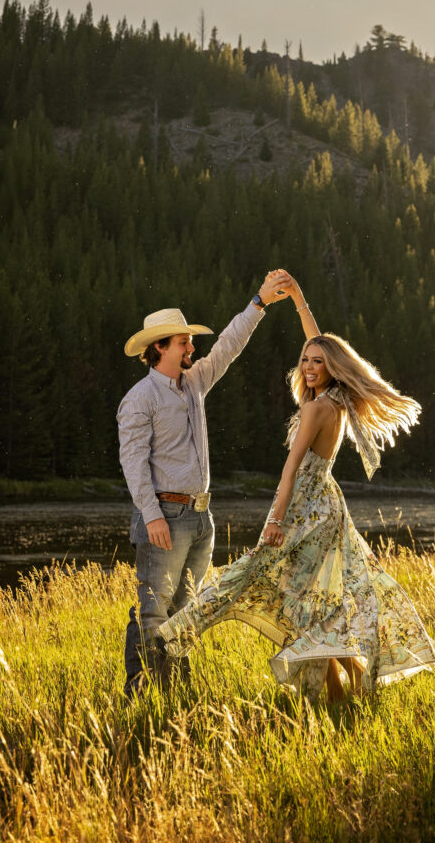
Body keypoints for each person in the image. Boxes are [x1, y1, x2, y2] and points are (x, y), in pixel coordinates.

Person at [157, 278, 435, 701]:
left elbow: (290, 469)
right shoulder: (340, 399)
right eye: (305, 360)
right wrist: (297, 299)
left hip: (306, 513)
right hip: (328, 508)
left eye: (317, 363)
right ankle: (345, 694)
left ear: (331, 368)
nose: (309, 367)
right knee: (316, 605)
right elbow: (318, 341)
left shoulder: (316, 408)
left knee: (255, 580)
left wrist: (274, 521)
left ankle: (175, 633)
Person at [117, 270, 291, 697]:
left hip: (200, 518)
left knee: (188, 611)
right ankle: (141, 694)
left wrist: (259, 303)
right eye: (183, 341)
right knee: (154, 613)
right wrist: (152, 515)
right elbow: (133, 464)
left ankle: (176, 694)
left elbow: (228, 346)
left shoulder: (194, 383)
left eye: (190, 341)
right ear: (160, 348)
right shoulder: (140, 398)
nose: (192, 347)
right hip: (166, 516)